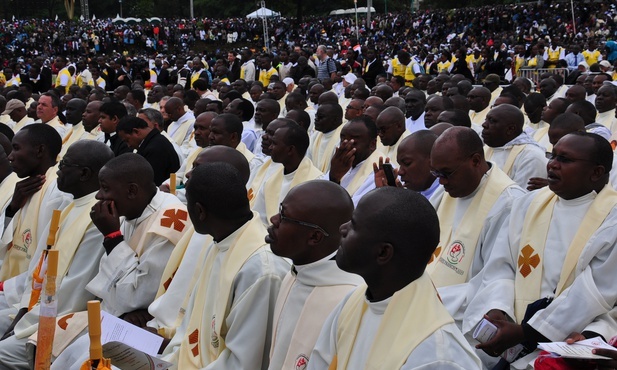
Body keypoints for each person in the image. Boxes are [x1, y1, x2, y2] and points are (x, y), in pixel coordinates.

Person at [465, 132, 617, 370]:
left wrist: (527, 331)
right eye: (552, 155)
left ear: (596, 172)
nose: (552, 164)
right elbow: (502, 264)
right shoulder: (528, 203)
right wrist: (498, 310)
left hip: (569, 341)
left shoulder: (612, 218)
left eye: (565, 159)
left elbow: (594, 291)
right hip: (512, 334)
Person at [307, 187, 482, 369]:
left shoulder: (437, 354)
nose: (342, 229)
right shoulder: (352, 303)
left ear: (383, 252)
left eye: (354, 224)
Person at [50, 153, 189, 369]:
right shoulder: (131, 211)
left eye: (105, 188)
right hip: (117, 318)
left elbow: (132, 297)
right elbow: (108, 287)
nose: (98, 196)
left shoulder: (169, 225)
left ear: (132, 191)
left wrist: (112, 237)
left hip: (144, 329)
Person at [161, 162, 288, 369]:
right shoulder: (223, 241)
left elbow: (243, 362)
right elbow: (193, 325)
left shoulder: (260, 270)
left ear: (200, 211)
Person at [0, 141, 114, 369]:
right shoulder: (70, 204)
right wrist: (23, 309)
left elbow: (75, 292)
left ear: (84, 174)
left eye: (65, 165)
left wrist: (22, 321)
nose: (58, 169)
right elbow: (39, 267)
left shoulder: (95, 217)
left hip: (61, 319)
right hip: (33, 306)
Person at [145, 146, 250, 341]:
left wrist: (172, 336)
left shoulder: (226, 237)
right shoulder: (203, 224)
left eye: (198, 168)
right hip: (163, 328)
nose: (188, 173)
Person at [428, 127, 523, 328]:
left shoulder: (508, 203)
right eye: (435, 173)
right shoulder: (449, 189)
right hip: (435, 302)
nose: (441, 181)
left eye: (446, 173)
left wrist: (424, 300)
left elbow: (493, 281)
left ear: (476, 161)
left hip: (466, 319)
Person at [266, 180, 363, 370]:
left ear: (315, 237)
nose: (274, 220)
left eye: (284, 216)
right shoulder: (295, 273)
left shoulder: (349, 299)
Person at [0, 124, 68, 281]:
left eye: (16, 148)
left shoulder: (57, 192)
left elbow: (45, 256)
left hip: (27, 287)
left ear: (39, 151)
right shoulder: (24, 186)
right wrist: (12, 208)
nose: (10, 157)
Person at [253, 121, 321, 226]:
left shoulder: (316, 182)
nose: (270, 148)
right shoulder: (271, 181)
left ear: (290, 150)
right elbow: (259, 220)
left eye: (274, 144)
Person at [482, 104, 548, 188]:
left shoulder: (531, 156)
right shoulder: (489, 147)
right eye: (486, 119)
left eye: (492, 121)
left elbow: (522, 197)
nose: (484, 125)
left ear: (510, 129)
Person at [328, 116, 382, 205]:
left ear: (372, 144)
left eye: (353, 141)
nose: (346, 146)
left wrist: (335, 180)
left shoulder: (379, 172)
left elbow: (354, 208)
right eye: (342, 140)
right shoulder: (342, 163)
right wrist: (333, 175)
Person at [116, 116, 180, 186]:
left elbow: (149, 183)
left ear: (136, 131)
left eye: (127, 140)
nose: (128, 145)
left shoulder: (155, 148)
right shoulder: (154, 142)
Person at [308, 104, 344, 172]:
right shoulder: (316, 135)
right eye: (316, 116)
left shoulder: (341, 139)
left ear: (335, 120)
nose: (316, 119)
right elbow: (308, 160)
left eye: (320, 117)